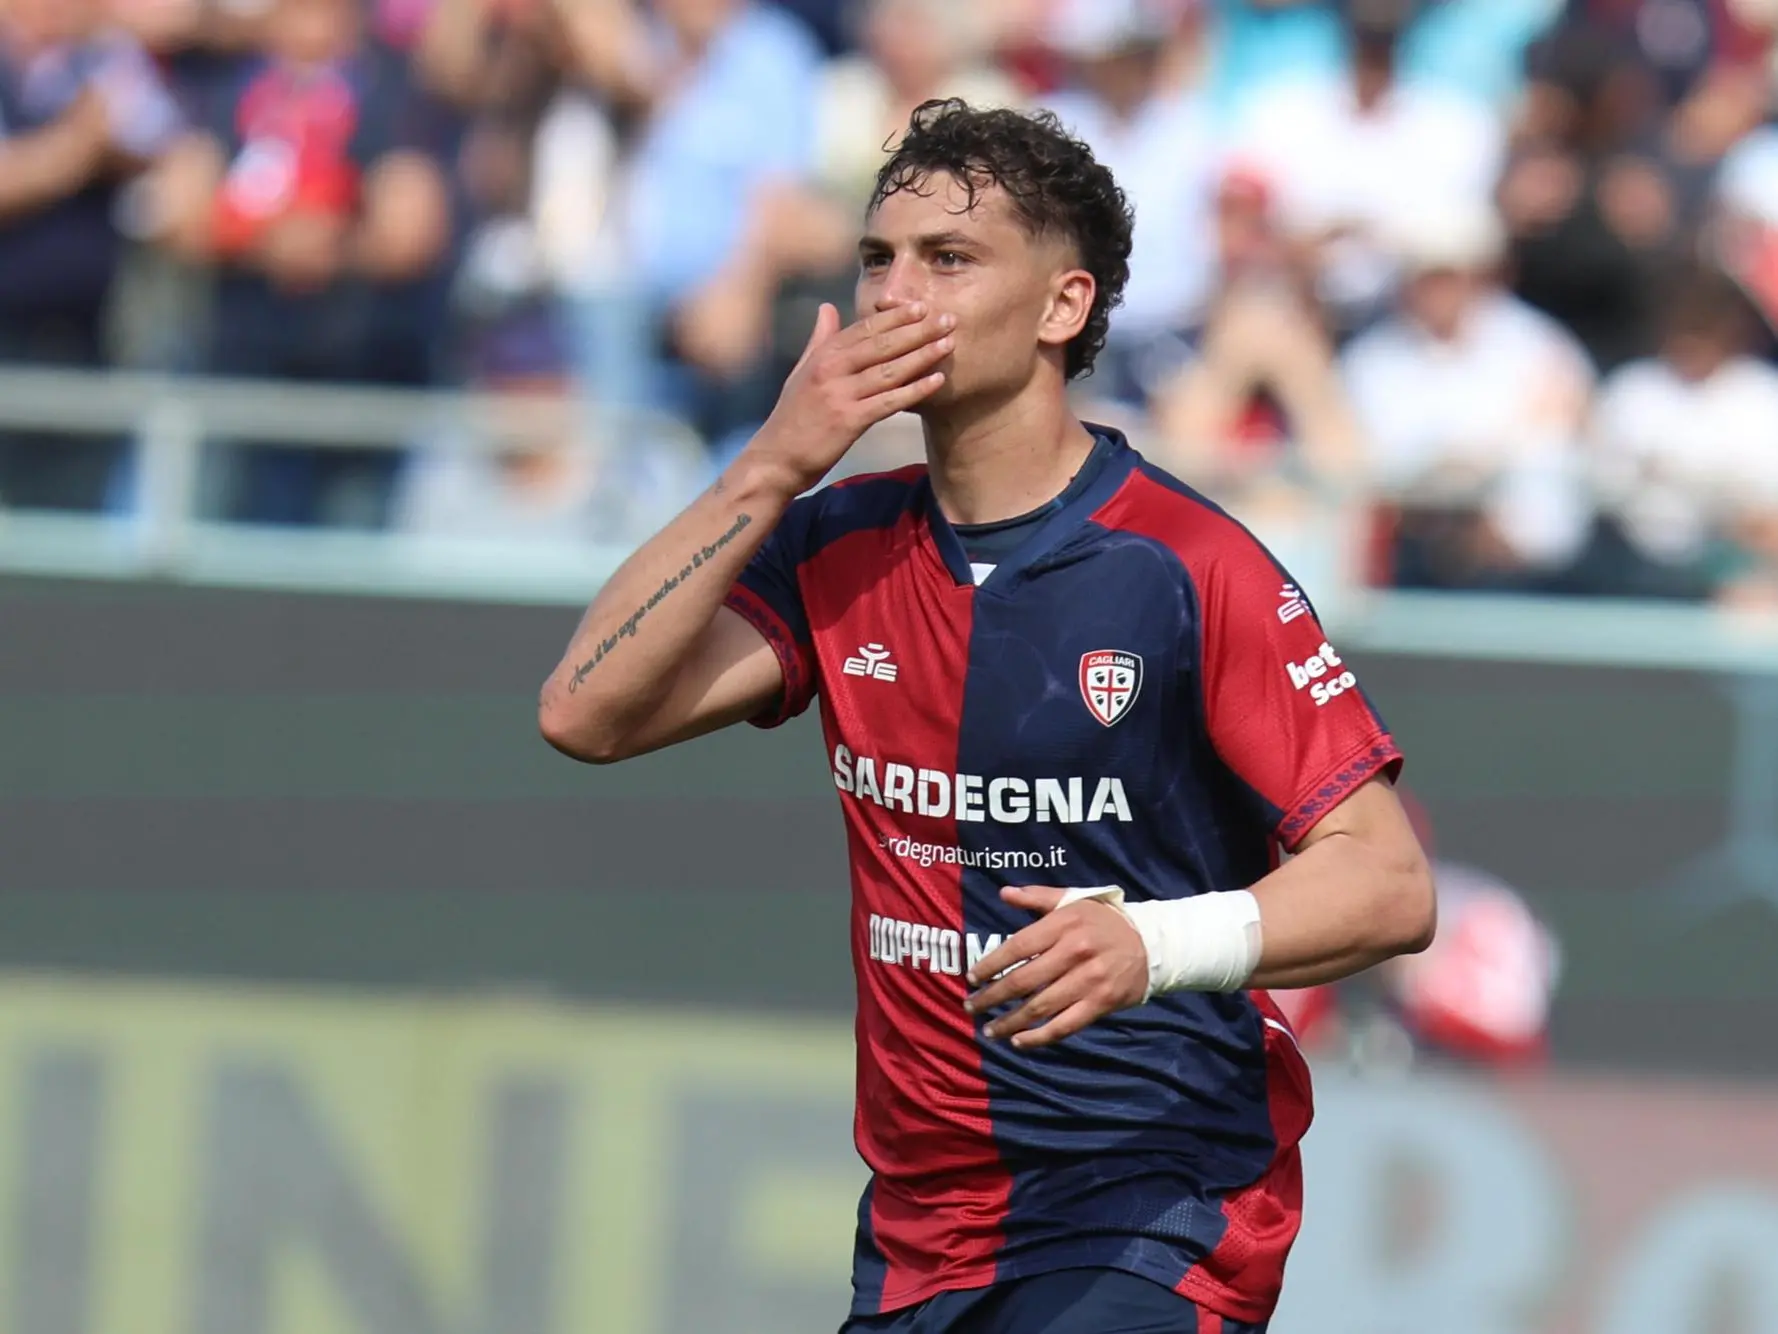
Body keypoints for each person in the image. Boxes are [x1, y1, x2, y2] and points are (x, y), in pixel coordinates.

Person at [538, 99, 1435, 1334]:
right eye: (875, 259)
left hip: (1152, 1206)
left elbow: (1386, 884)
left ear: (1062, 306)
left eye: (947, 260)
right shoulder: (833, 542)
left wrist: (1151, 947)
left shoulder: (1186, 563)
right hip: (920, 1233)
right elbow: (583, 710)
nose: (894, 295)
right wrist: (770, 463)